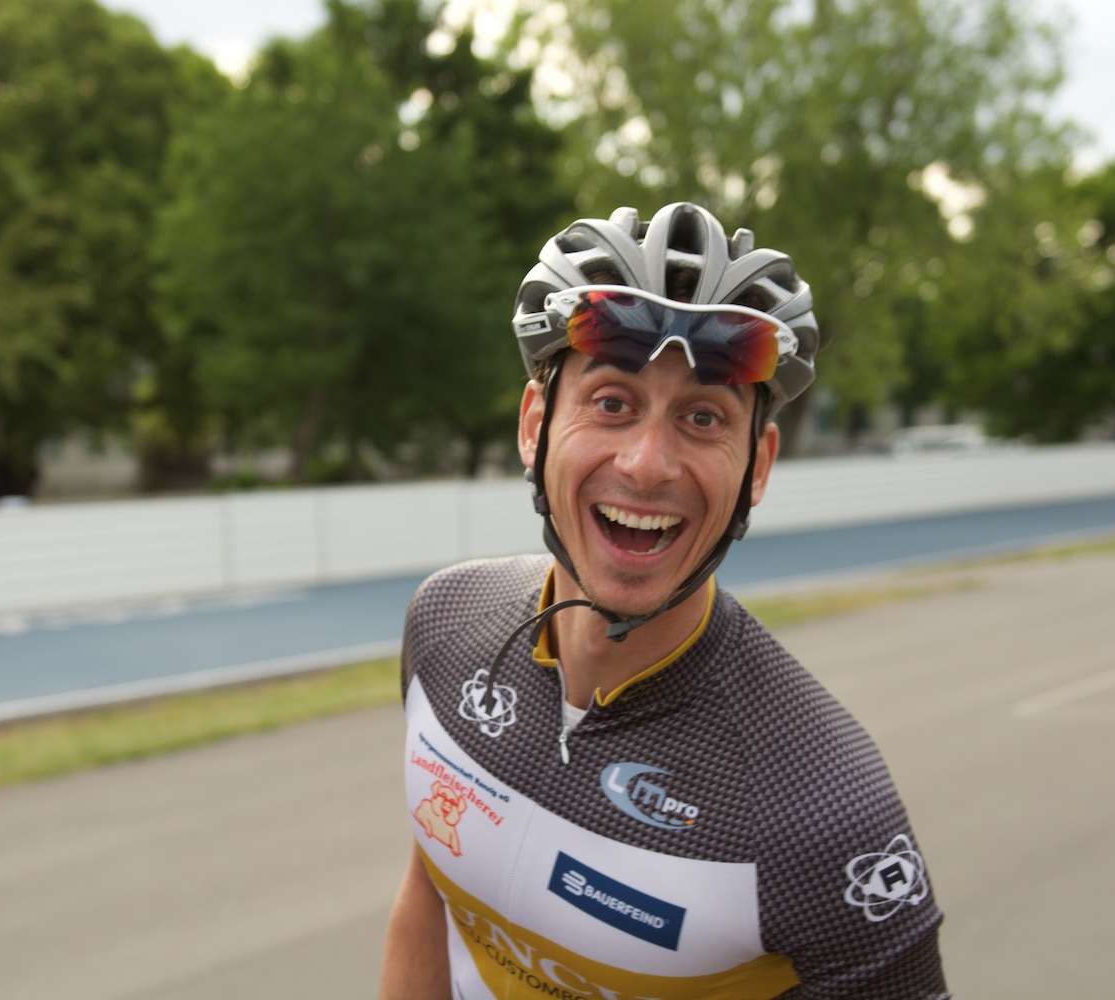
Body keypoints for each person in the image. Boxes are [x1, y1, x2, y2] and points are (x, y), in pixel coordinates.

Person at [380, 203, 947, 999]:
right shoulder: (444, 623)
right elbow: (429, 893)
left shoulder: (823, 807)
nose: (648, 464)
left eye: (703, 417)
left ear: (757, 467)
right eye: (612, 402)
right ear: (535, 425)